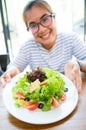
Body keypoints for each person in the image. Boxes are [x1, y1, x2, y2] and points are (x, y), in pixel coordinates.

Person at [0, 0, 86, 93]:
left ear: (54, 18)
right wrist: (11, 71)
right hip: (41, 96)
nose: (41, 29)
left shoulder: (71, 39)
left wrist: (78, 64)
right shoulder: (28, 46)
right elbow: (14, 67)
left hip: (66, 93)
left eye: (45, 19)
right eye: (33, 25)